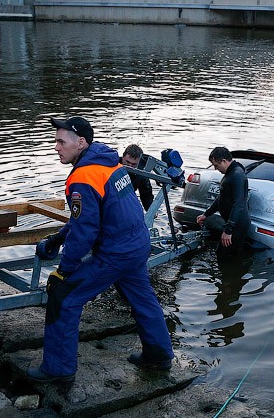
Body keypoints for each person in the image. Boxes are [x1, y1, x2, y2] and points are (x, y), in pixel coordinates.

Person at [28, 116, 174, 385]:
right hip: (137, 244)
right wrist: (59, 238)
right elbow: (92, 216)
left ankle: (58, 369)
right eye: (55, 141)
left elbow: (85, 231)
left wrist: (65, 270)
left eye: (61, 142)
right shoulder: (110, 163)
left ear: (81, 142)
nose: (56, 147)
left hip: (115, 253)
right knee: (143, 300)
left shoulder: (83, 176)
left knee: (64, 296)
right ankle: (159, 355)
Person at [196, 147, 251, 260]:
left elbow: (239, 204)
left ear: (224, 160)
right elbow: (221, 198)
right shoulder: (230, 173)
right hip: (234, 224)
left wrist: (228, 230)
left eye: (216, 165)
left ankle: (235, 275)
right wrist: (206, 214)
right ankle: (234, 276)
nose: (216, 169)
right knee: (229, 256)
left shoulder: (237, 175)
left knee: (223, 256)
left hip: (238, 225)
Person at [120, 144, 154, 211]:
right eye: (127, 162)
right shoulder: (112, 165)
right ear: (123, 157)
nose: (130, 166)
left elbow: (146, 195)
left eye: (133, 164)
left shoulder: (141, 173)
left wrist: (151, 211)